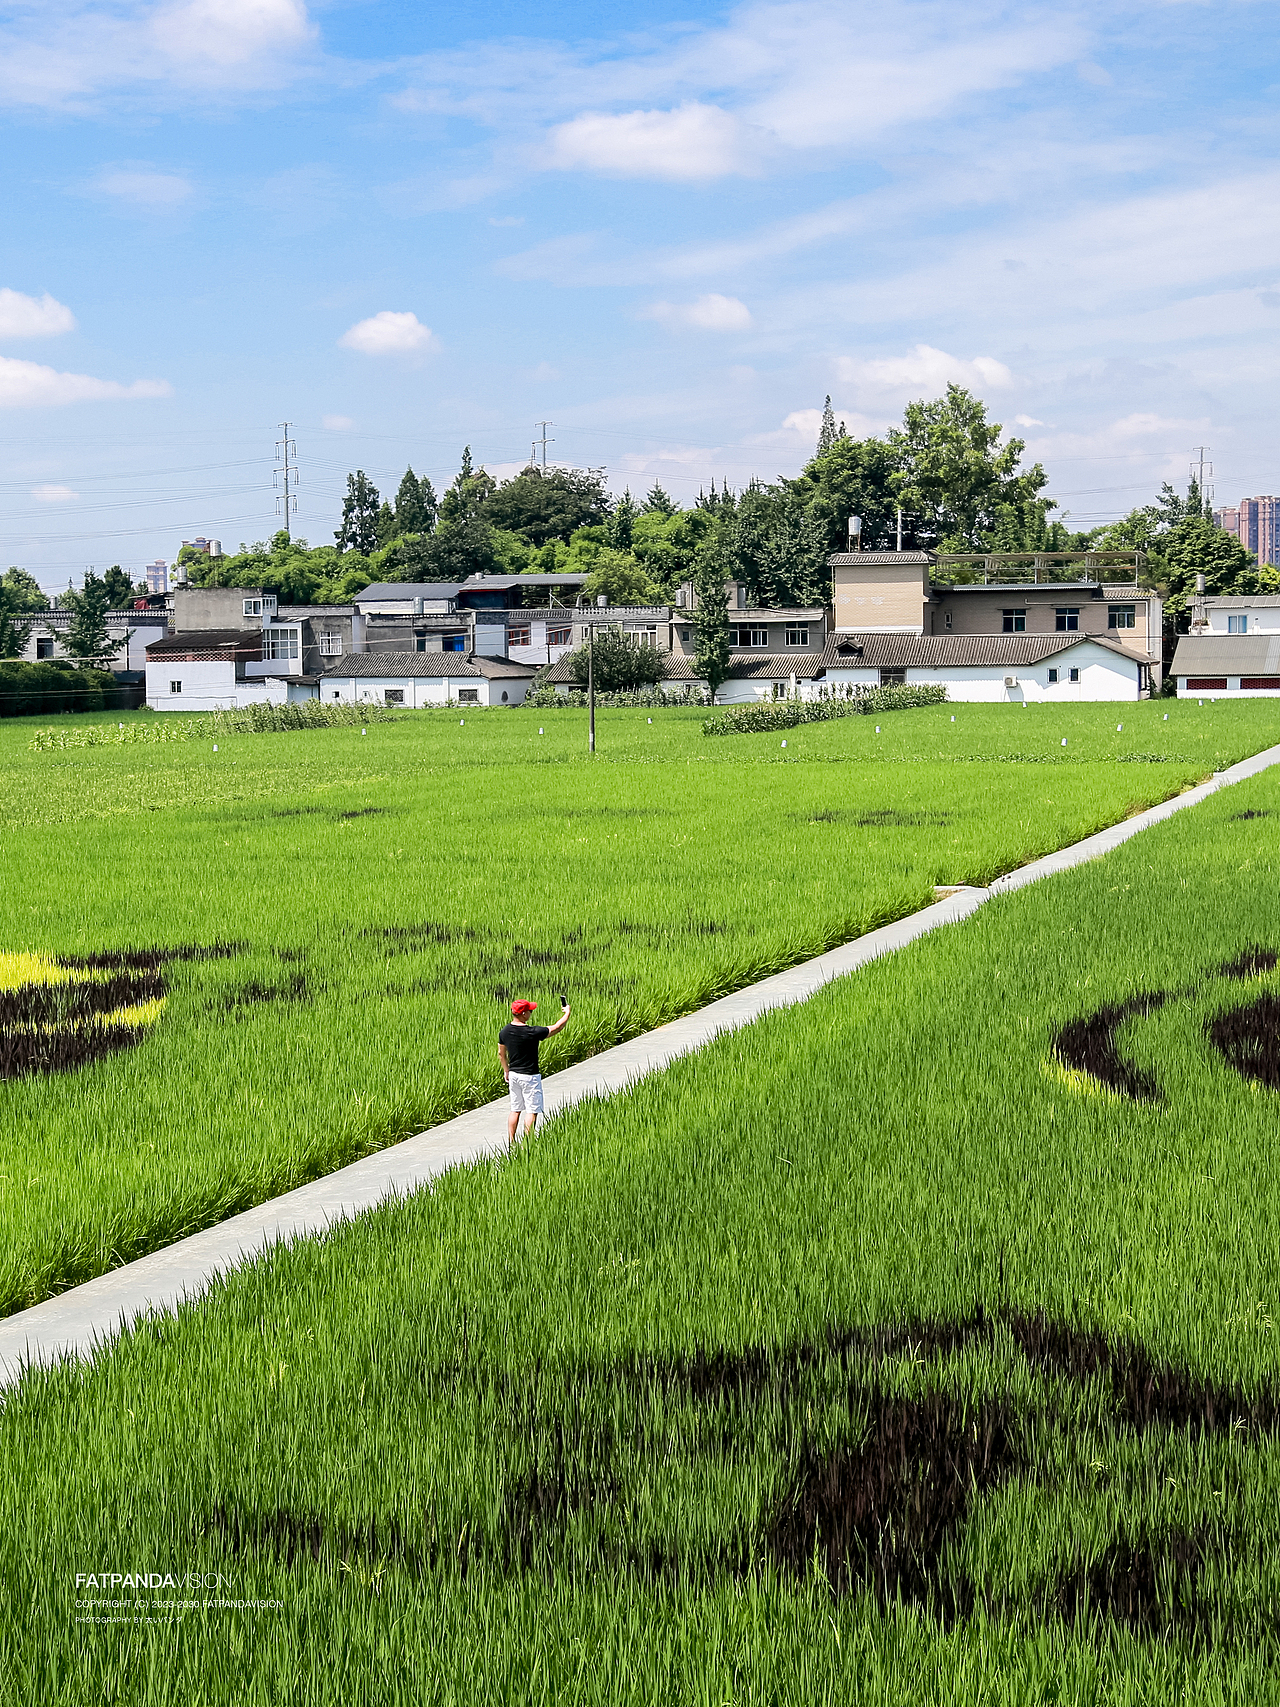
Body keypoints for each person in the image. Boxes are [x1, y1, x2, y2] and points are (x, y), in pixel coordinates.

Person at [498, 996, 570, 1146]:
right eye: (530, 1010)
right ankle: (528, 1143)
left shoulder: (504, 1031)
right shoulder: (531, 1032)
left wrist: (506, 1070)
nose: (531, 1012)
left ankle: (511, 1142)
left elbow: (501, 1054)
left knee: (515, 1109)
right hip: (530, 1076)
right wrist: (567, 1012)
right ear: (523, 1013)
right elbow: (557, 1027)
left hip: (514, 1076)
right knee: (532, 1110)